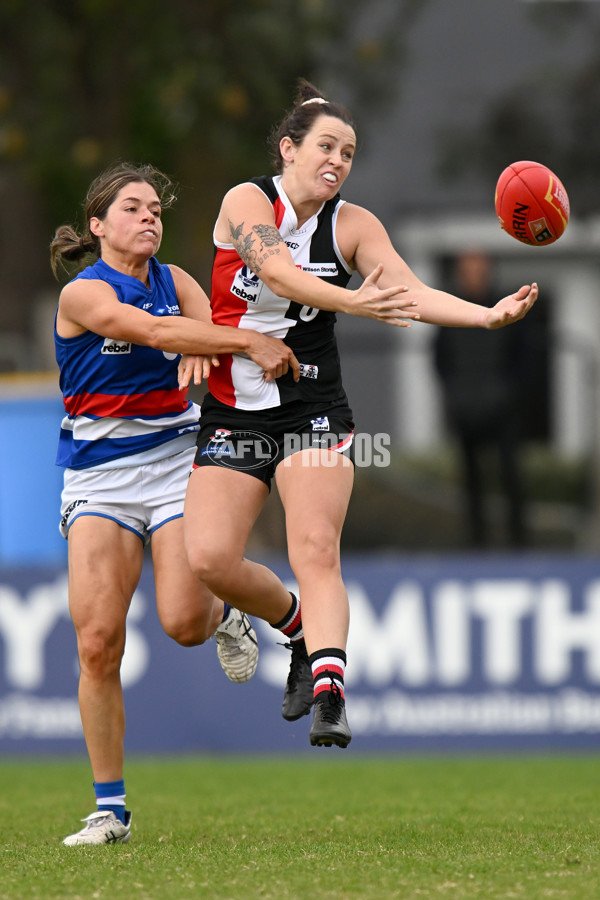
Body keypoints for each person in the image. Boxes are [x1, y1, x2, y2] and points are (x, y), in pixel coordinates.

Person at [182, 79, 538, 750]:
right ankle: (294, 630)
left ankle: (329, 692)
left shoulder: (354, 223)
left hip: (314, 405)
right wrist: (354, 303)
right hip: (234, 408)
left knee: (314, 548)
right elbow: (280, 275)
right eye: (326, 146)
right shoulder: (247, 202)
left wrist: (485, 316)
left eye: (348, 152)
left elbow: (405, 288)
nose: (338, 161)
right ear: (289, 149)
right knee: (207, 561)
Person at [50, 162, 302, 846]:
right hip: (98, 477)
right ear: (99, 226)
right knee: (98, 643)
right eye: (133, 208)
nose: (150, 217)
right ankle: (111, 810)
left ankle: (225, 617)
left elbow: (205, 330)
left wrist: (214, 346)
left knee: (184, 624)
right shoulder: (84, 294)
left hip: (172, 462)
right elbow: (166, 335)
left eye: (156, 209)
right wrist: (235, 340)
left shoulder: (176, 282)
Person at [433, 250, 529, 548]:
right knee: (471, 480)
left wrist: (509, 393)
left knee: (511, 475)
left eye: (479, 267)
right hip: (466, 409)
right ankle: (476, 545)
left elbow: (524, 358)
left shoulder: (507, 307)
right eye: (468, 268)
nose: (474, 273)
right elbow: (440, 360)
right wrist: (456, 394)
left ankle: (520, 544)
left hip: (503, 409)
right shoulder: (452, 309)